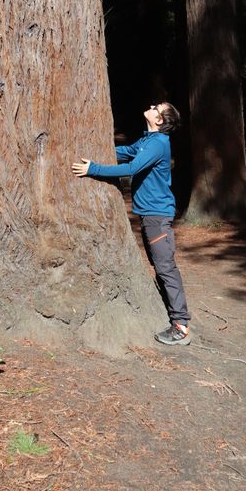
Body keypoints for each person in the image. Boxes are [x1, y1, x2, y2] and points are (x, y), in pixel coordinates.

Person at [72, 102, 191, 347]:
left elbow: (131, 168)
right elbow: (127, 151)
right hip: (150, 215)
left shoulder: (158, 144)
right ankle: (174, 316)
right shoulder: (149, 140)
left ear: (160, 120)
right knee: (159, 265)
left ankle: (180, 326)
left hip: (158, 217)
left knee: (165, 267)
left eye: (156, 107)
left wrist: (93, 169)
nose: (151, 106)